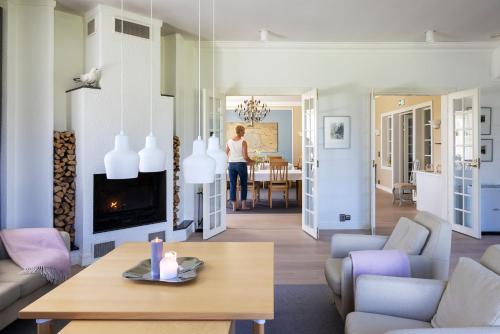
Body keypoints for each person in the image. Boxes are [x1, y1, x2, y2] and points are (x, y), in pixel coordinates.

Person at [226, 125, 253, 211]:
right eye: (243, 131)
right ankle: (243, 205)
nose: (244, 133)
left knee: (232, 185)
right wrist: (251, 161)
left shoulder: (229, 141)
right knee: (244, 184)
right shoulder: (243, 142)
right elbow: (245, 157)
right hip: (241, 164)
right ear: (240, 132)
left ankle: (234, 206)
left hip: (231, 165)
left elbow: (225, 153)